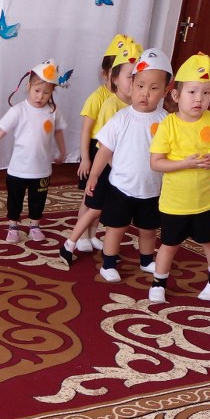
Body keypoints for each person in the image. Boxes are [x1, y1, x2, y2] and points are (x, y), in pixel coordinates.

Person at [78, 48, 171, 282]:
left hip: (152, 189)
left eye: (154, 88)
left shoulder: (166, 121)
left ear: (165, 91)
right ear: (132, 85)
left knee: (148, 229)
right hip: (121, 186)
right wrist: (94, 175)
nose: (145, 93)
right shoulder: (121, 118)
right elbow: (104, 150)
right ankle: (108, 263)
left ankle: (146, 260)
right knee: (116, 228)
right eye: (140, 86)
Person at [147, 53, 210, 303]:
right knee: (169, 244)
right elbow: (156, 163)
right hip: (175, 203)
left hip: (205, 201)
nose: (199, 99)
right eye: (192, 92)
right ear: (176, 95)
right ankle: (159, 282)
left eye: (206, 93)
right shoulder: (168, 125)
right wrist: (186, 163)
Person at [59, 35, 142, 264]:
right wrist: (86, 159)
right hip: (101, 153)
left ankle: (90, 235)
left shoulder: (131, 102)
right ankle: (77, 239)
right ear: (111, 75)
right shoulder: (103, 100)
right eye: (129, 76)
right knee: (91, 200)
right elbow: (89, 132)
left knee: (100, 202)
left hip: (118, 157)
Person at [0, 59, 68, 243]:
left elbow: (59, 132)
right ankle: (13, 226)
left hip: (42, 170)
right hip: (18, 170)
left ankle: (35, 226)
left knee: (38, 200)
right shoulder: (18, 110)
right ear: (28, 86)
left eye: (46, 92)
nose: (40, 96)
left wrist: (63, 152)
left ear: (52, 92)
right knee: (15, 200)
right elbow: (0, 133)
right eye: (37, 91)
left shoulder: (53, 111)